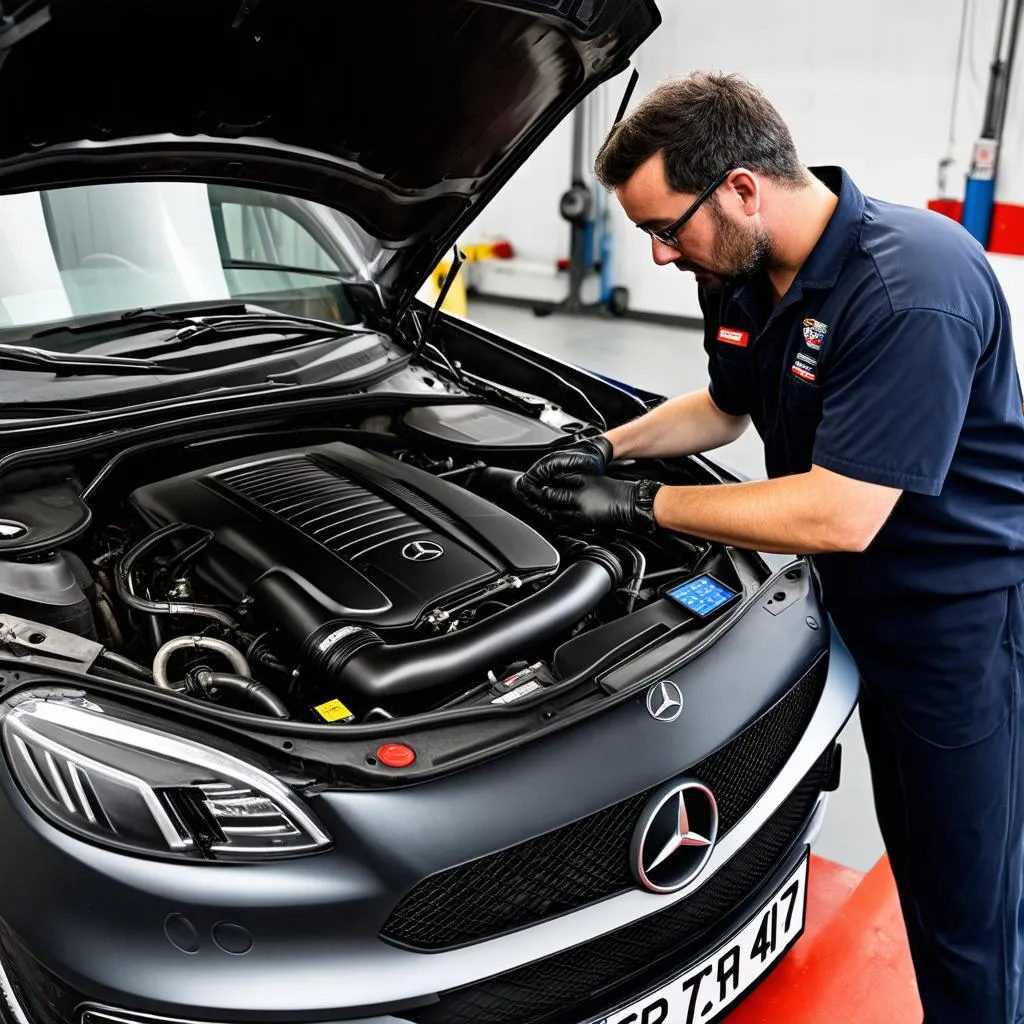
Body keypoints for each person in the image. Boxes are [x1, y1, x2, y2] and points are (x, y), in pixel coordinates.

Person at [517, 72, 1024, 1024]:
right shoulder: (742, 271)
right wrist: (599, 448)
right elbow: (724, 405)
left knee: (965, 898)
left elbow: (842, 514)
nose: (663, 257)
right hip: (846, 603)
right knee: (902, 843)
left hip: (953, 626)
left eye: (670, 228)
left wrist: (641, 508)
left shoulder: (912, 285)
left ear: (744, 187)